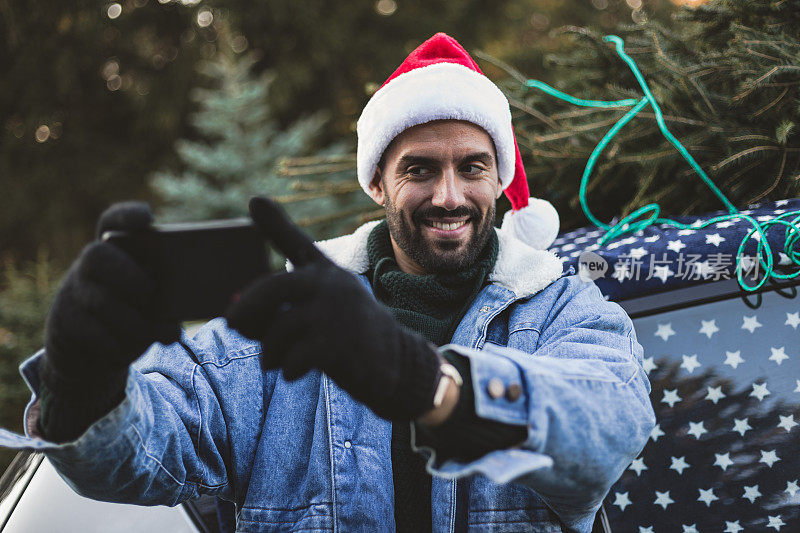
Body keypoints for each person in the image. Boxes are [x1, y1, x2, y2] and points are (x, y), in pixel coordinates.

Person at [0, 33, 655, 532]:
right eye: (420, 169)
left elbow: (606, 429)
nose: (450, 195)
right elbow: (136, 458)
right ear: (377, 182)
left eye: (473, 167)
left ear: (499, 178)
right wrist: (81, 383)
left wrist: (426, 382)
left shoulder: (568, 311)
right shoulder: (275, 329)